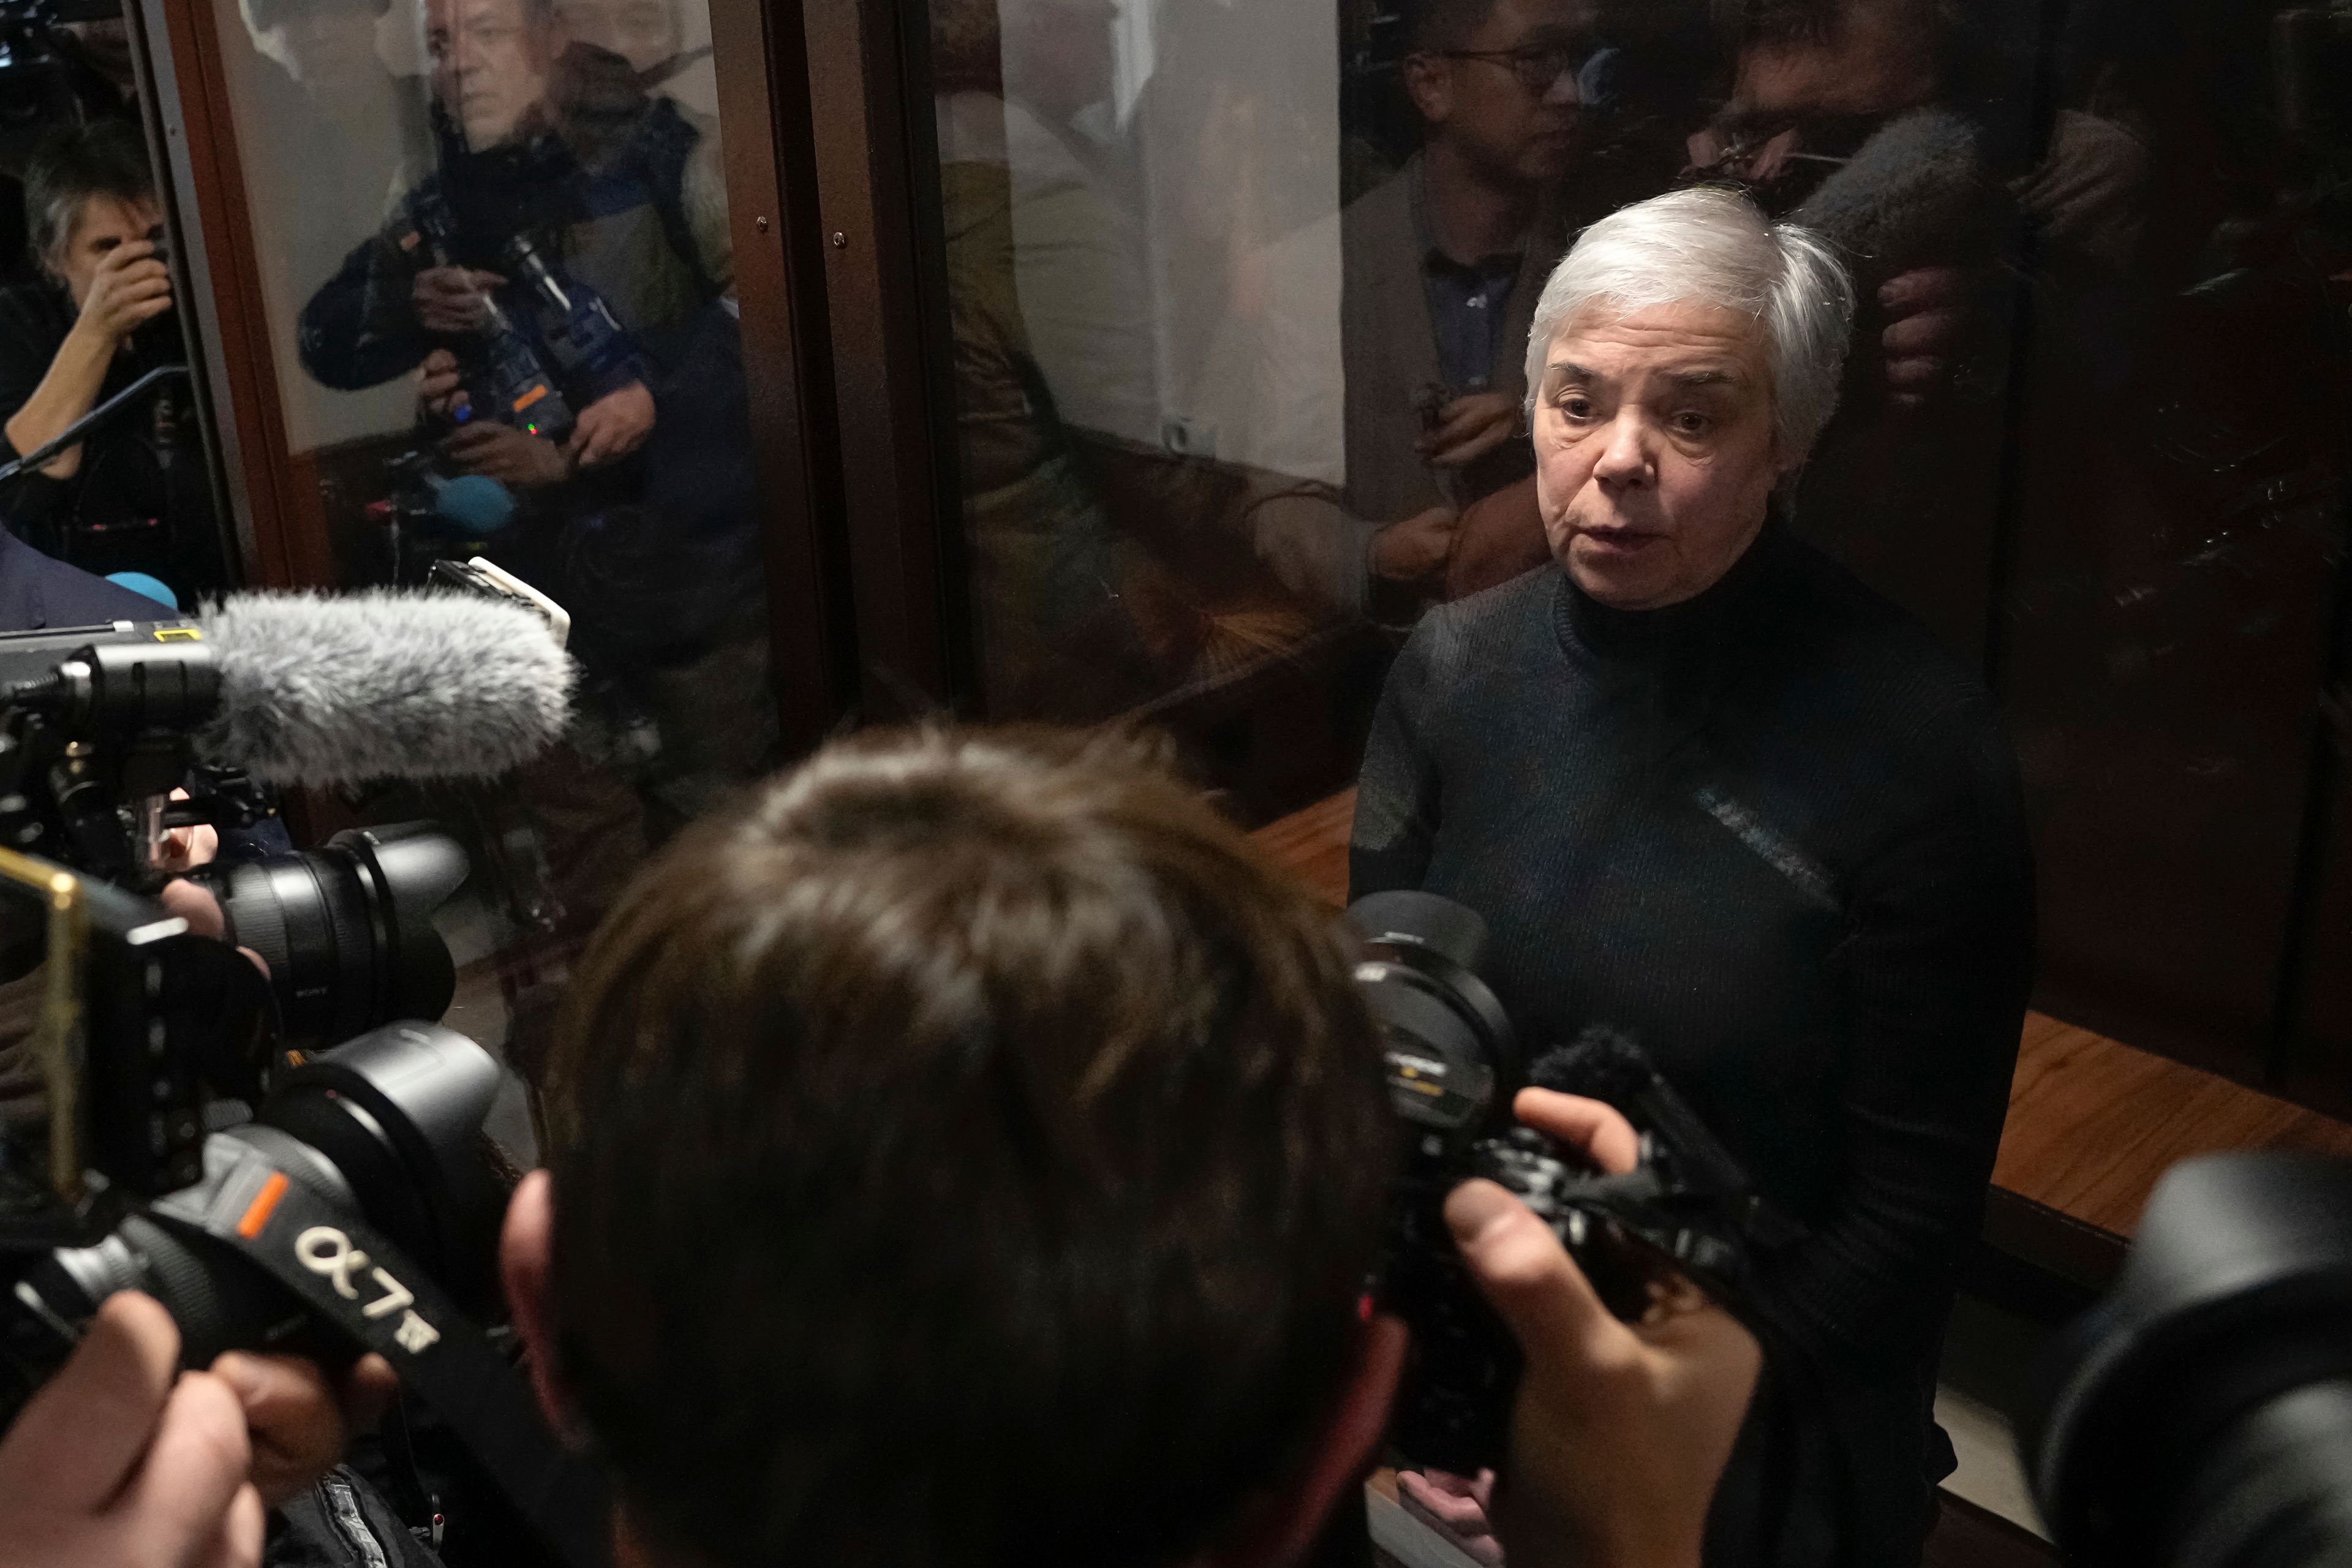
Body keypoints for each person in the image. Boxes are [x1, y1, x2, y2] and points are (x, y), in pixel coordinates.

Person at [1351, 187, 2034, 1567]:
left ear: (1791, 434)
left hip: (1764, 1400)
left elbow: (1910, 1219)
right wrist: (1435, 1380)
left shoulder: (1919, 741)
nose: (1618, 459)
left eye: (1695, 415)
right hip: (1478, 1371)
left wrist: (1630, 1433)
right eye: (1577, 400)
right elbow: (1385, 1040)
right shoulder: (1452, 670)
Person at [0, 121, 222, 601]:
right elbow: (28, 487)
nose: (140, 263)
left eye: (155, 239)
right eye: (107, 248)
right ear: (52, 256)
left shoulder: (206, 309)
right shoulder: (17, 322)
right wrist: (100, 330)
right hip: (77, 595)